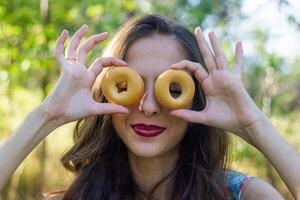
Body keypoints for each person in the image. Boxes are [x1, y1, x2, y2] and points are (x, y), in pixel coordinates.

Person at [0, 14, 299, 200]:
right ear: (107, 94)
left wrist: (254, 126)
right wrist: (45, 116)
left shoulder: (244, 196)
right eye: (130, 86)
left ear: (196, 99)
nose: (150, 106)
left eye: (170, 88)